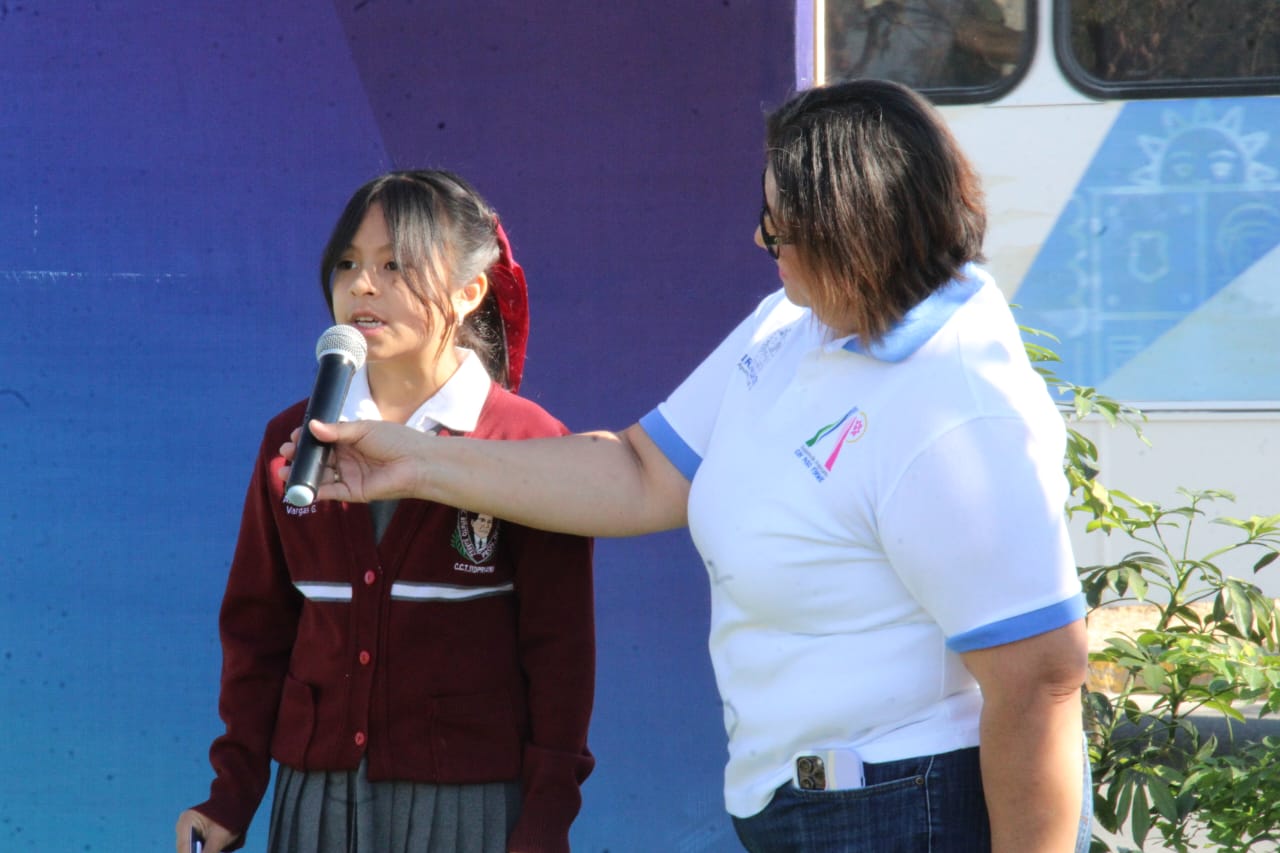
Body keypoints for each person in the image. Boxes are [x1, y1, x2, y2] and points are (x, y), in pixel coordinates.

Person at [280, 80, 1091, 852]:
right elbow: (638, 470)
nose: (757, 240)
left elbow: (1041, 682)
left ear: (852, 231)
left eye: (777, 228)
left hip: (904, 807)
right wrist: (415, 463)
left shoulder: (957, 402)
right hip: (796, 803)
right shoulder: (794, 322)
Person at [175, 170, 596, 853]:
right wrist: (232, 793)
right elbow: (258, 630)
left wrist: (545, 822)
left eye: (394, 265)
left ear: (469, 292)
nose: (361, 285)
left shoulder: (527, 443)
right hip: (315, 804)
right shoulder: (294, 439)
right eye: (348, 264)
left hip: (469, 808)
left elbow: (560, 655)